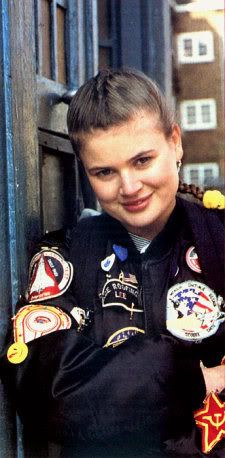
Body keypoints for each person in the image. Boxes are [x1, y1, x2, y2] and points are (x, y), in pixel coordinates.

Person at [0, 68, 224, 458]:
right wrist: (194, 377)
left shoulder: (218, 238)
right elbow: (47, 394)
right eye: (105, 172)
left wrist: (116, 377)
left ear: (175, 142)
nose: (130, 187)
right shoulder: (66, 257)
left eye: (142, 161)